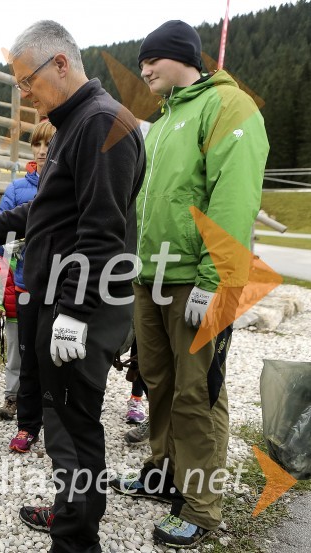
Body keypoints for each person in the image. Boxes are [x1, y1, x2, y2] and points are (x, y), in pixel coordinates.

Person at [0, 20, 145, 553]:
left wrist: (76, 311)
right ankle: (69, 514)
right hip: (55, 300)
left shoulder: (103, 124)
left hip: (79, 306)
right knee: (61, 423)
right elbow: (50, 208)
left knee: (73, 429)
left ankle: (75, 541)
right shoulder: (72, 124)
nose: (24, 95)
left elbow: (101, 230)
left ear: (60, 63)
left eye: (27, 81)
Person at [109, 20, 269, 549]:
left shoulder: (229, 107)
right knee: (158, 380)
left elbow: (233, 198)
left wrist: (213, 281)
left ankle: (200, 506)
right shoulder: (166, 118)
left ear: (180, 55)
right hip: (152, 277)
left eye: (150, 60)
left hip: (197, 281)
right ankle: (164, 471)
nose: (144, 71)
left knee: (198, 392)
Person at [0, 119, 56, 448]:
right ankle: (28, 423)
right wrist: (14, 243)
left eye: (49, 143)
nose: (42, 150)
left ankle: (58, 420)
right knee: (28, 355)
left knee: (57, 356)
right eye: (37, 143)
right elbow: (1, 233)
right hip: (25, 283)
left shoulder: (72, 183)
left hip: (62, 286)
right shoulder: (17, 189)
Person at [0, 252, 19, 420]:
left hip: (38, 317)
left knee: (39, 359)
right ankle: (11, 398)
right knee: (14, 360)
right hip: (14, 318)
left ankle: (41, 402)